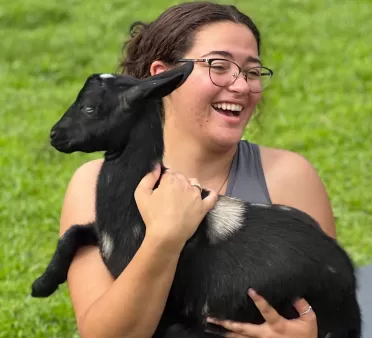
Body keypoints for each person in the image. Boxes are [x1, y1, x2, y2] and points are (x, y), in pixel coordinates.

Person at [59, 2, 330, 337]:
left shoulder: (289, 178)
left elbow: (330, 316)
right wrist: (165, 236)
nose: (242, 86)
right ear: (164, 78)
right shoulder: (91, 184)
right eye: (218, 66)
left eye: (252, 71)